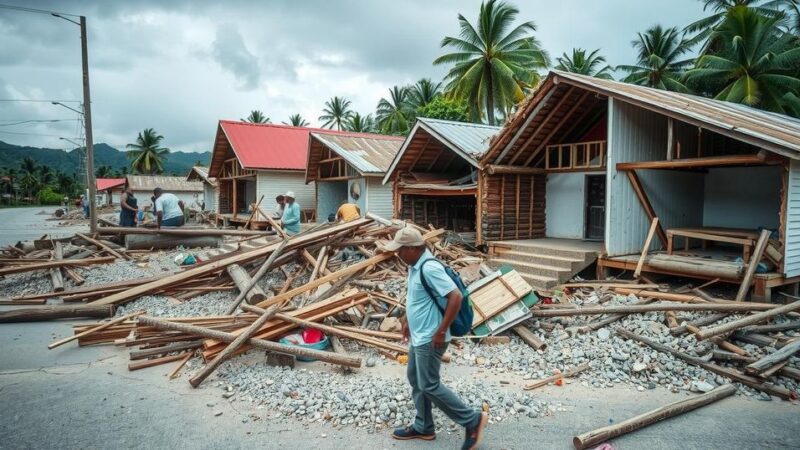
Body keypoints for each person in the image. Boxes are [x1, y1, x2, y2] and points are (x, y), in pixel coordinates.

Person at [381, 226, 487, 449]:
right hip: (419, 336)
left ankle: (472, 420)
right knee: (415, 379)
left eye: (401, 250)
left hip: (431, 338)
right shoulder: (414, 266)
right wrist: (408, 320)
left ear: (412, 248)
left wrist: (440, 330)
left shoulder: (429, 268)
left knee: (429, 385)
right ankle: (424, 427)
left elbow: (455, 297)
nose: (398, 255)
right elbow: (419, 297)